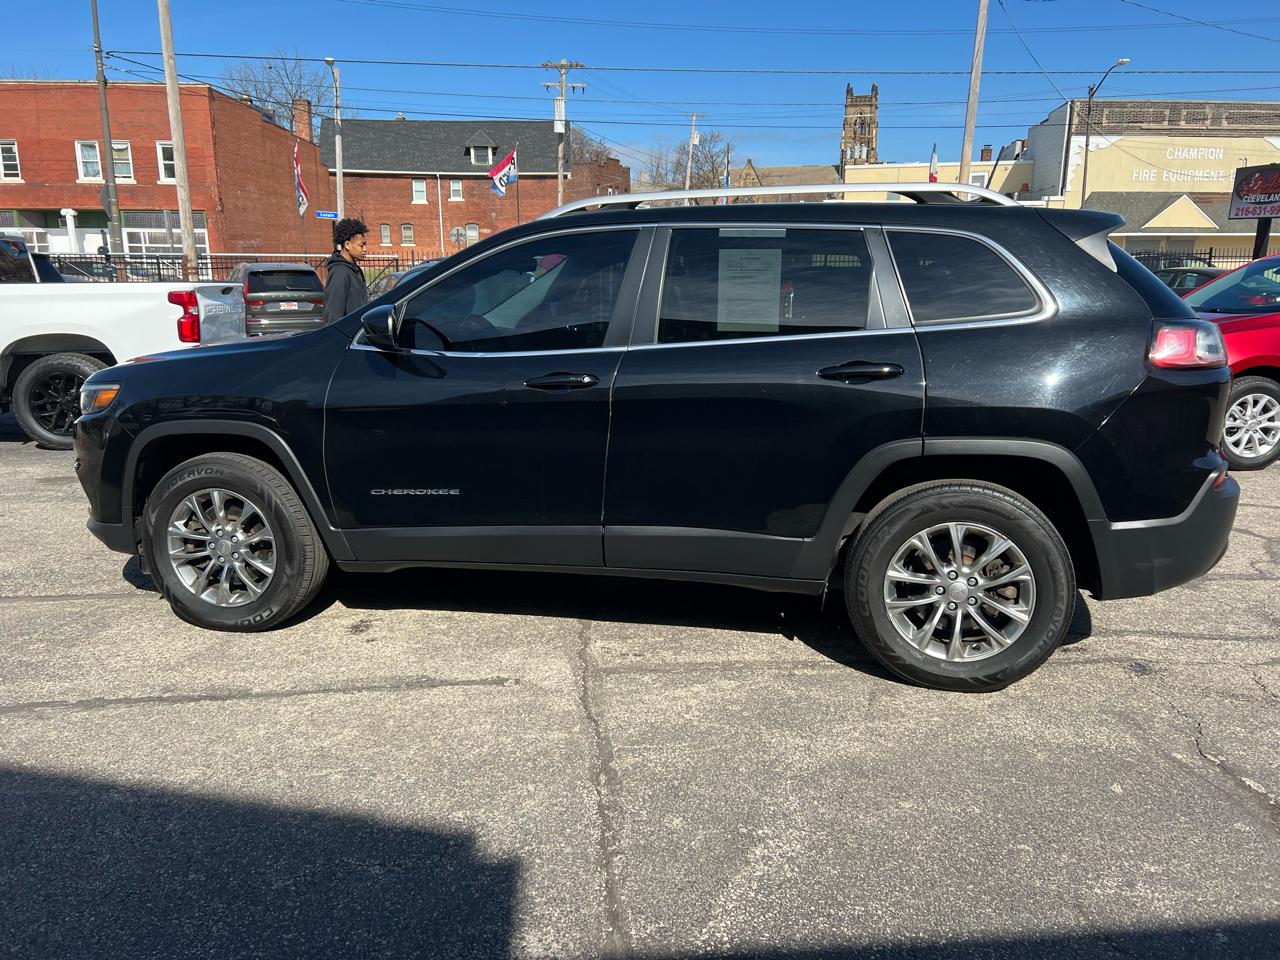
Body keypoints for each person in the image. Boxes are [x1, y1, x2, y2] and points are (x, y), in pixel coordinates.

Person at [323, 218, 369, 323]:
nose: (365, 249)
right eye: (361, 245)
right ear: (348, 245)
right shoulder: (340, 273)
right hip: (345, 336)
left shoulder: (355, 269)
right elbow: (333, 313)